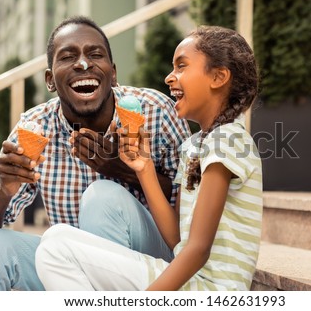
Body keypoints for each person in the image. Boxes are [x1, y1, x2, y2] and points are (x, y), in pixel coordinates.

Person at [0, 15, 190, 291]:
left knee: (101, 195)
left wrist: (121, 169)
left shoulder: (155, 110)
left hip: (150, 267)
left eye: (95, 54)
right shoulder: (36, 128)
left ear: (113, 73)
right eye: (68, 57)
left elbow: (192, 207)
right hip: (66, 269)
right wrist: (4, 190)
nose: (83, 64)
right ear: (50, 80)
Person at [35, 25, 263, 291]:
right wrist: (143, 169)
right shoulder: (193, 147)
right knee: (57, 238)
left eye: (182, 66)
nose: (169, 77)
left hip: (213, 290)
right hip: (190, 282)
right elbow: (179, 239)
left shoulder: (228, 140)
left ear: (218, 77)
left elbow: (198, 250)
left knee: (55, 249)